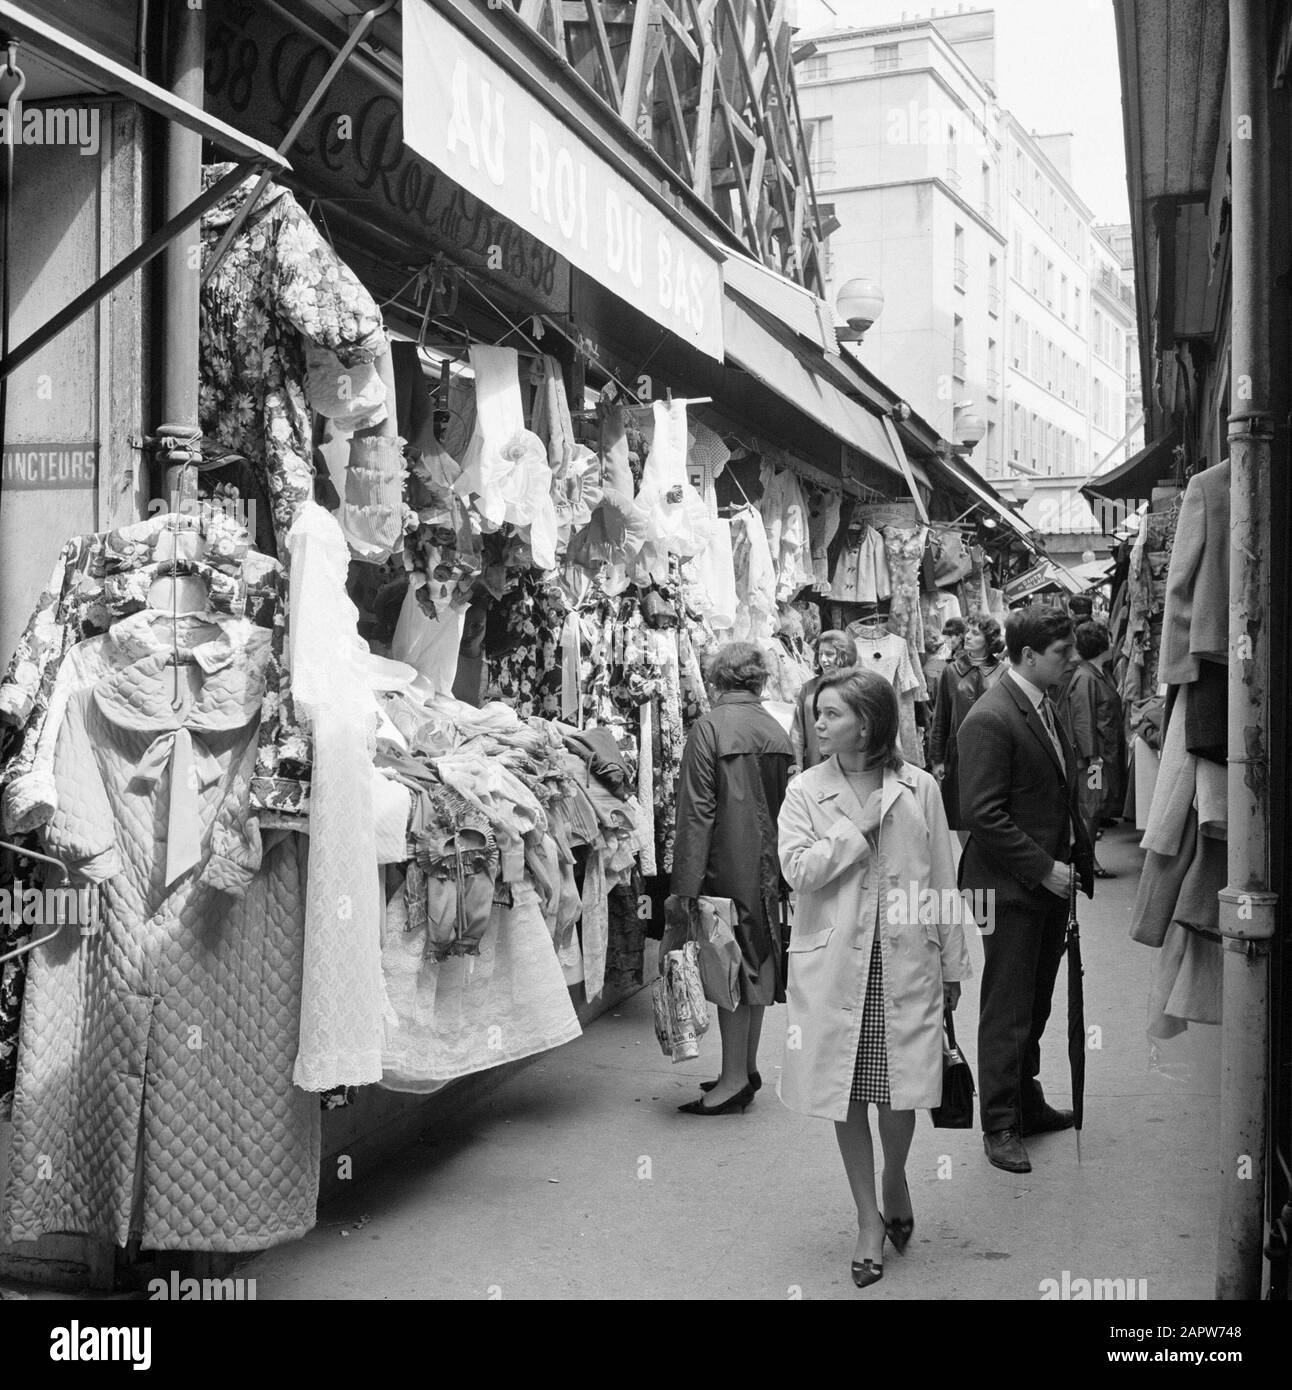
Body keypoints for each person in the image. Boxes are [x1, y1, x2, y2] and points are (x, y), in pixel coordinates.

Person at [777, 668, 971, 1288]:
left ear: (869, 719)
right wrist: (856, 828)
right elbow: (798, 872)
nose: (819, 724)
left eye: (831, 713)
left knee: (899, 1094)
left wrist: (952, 964)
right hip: (835, 966)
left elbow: (943, 876)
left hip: (906, 958)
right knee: (847, 1092)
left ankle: (895, 1176)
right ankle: (868, 1218)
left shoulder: (920, 788)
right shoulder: (805, 790)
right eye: (818, 713)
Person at [957, 604, 1094, 1174]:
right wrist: (1044, 868)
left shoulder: (1044, 701)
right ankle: (1000, 1123)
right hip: (1008, 888)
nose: (1072, 661)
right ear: (1029, 655)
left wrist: (1073, 863)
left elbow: (1056, 791)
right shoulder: (990, 717)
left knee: (1035, 999)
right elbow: (982, 815)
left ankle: (1026, 1100)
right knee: (1008, 1006)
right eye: (1062, 654)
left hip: (1043, 884)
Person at [671, 641, 794, 1114]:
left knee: (728, 967)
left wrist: (683, 888)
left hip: (725, 865)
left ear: (718, 679)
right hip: (769, 866)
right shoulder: (774, 729)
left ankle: (733, 1079)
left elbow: (696, 815)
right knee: (757, 960)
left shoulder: (710, 729)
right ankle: (745, 1067)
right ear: (759, 680)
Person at [929, 613, 1006, 842]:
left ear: (988, 639)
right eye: (968, 632)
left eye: (975, 633)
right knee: (962, 813)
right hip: (960, 752)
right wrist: (937, 759)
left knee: (992, 808)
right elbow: (941, 716)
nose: (968, 637)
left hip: (995, 751)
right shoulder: (951, 671)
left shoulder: (1003, 672)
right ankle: (967, 863)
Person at [1058, 621, 1125, 878]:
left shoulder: (1096, 673)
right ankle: (1087, 861)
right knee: (1091, 806)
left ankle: (1086, 858)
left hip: (1100, 755)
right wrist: (1092, 756)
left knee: (1094, 807)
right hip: (1094, 760)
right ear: (1102, 645)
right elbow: (1083, 718)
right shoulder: (1086, 677)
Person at [790, 630, 858, 772]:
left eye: (829, 654)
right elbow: (797, 734)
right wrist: (795, 769)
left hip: (850, 768)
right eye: (820, 654)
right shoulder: (808, 688)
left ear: (844, 655)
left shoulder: (857, 688)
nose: (823, 660)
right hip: (814, 768)